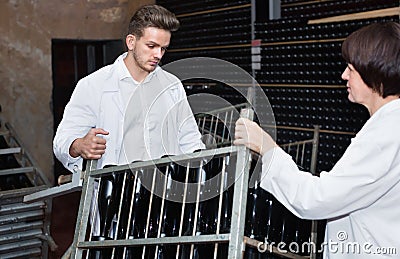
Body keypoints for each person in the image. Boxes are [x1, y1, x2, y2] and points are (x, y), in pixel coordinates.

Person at [234, 22, 400, 258]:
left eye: (351, 69)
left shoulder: (387, 132)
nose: (344, 75)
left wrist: (267, 147)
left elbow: (315, 199)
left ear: (374, 72)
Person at [53, 4, 205, 173]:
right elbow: (62, 140)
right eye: (151, 46)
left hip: (163, 193)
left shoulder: (172, 86)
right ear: (131, 42)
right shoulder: (93, 85)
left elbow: (190, 139)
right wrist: (79, 145)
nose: (158, 55)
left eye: (163, 48)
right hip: (114, 194)